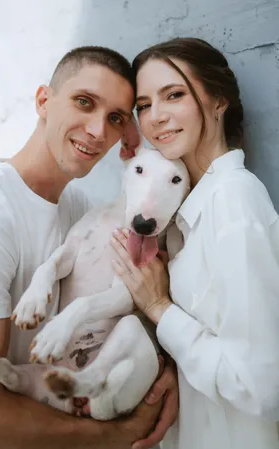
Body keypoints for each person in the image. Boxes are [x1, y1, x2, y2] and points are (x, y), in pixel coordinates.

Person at [0, 45, 179, 449]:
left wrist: (168, 372)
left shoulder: (82, 210)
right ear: (43, 101)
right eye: (83, 102)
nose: (96, 131)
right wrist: (119, 434)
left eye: (115, 119)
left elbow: (131, 309)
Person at [111, 37, 279, 449]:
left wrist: (159, 308)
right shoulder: (182, 214)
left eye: (174, 94)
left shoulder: (233, 200)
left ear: (218, 100)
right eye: (145, 105)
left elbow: (260, 386)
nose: (156, 117)